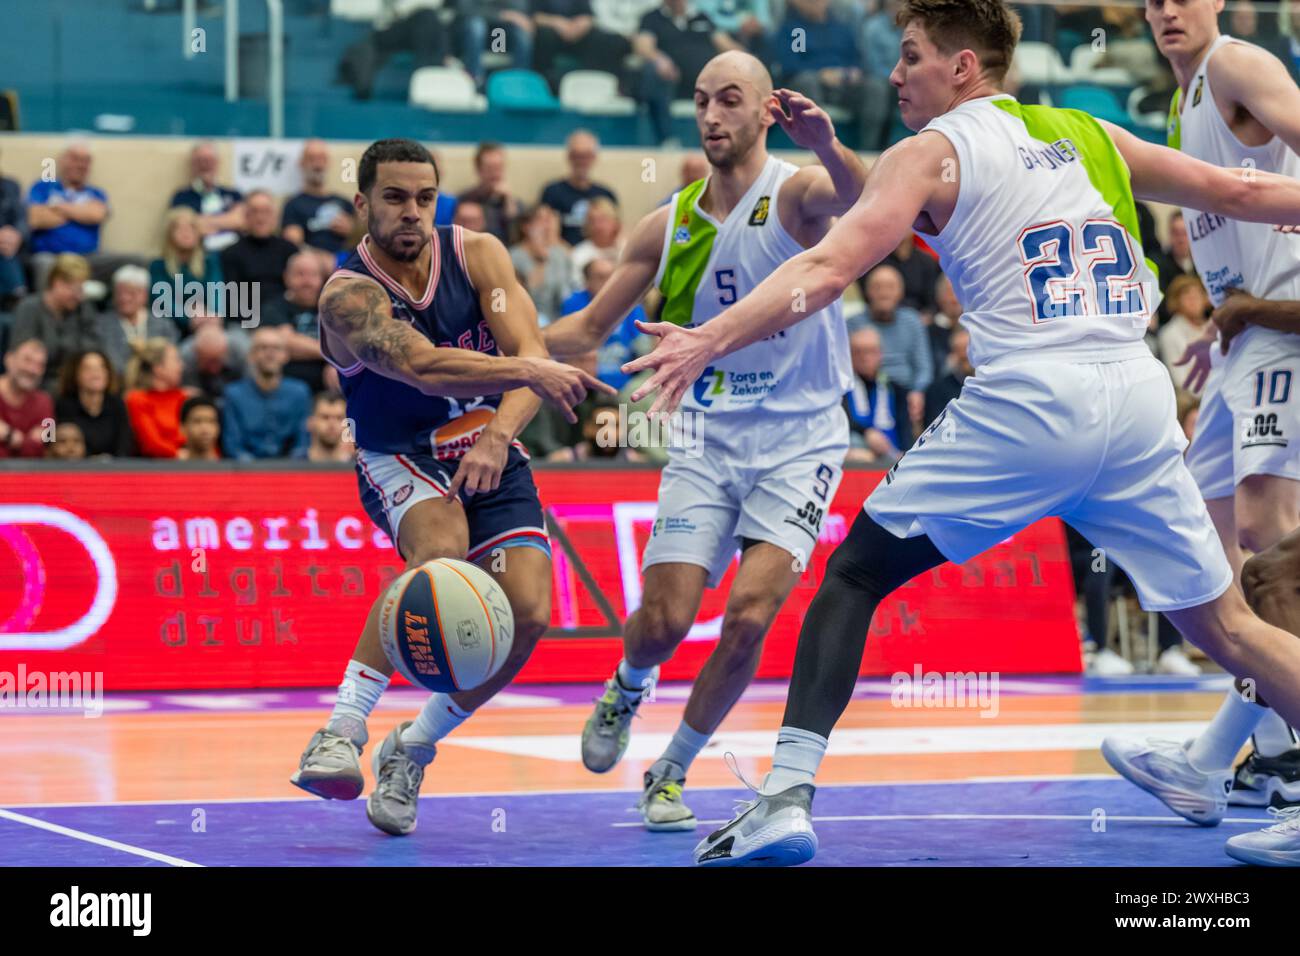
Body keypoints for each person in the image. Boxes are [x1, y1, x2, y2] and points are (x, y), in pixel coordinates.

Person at [623, 0, 1300, 867]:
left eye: (911, 56)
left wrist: (710, 335)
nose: (896, 73)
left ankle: (784, 798)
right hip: (1136, 399)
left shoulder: (931, 152)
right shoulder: (1089, 131)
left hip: (1030, 397)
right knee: (1232, 628)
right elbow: (1244, 189)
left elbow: (828, 266)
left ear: (963, 67)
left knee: (857, 575)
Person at [545, 53, 865, 830]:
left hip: (801, 440)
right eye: (700, 101)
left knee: (751, 616)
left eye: (730, 100)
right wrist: (483, 351)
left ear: (765, 113)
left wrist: (827, 142)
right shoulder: (671, 223)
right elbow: (586, 330)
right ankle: (626, 686)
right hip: (708, 439)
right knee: (663, 623)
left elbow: (864, 197)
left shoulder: (796, 194)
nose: (712, 115)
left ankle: (672, 768)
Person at [288, 139, 611, 838]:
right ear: (363, 205)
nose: (412, 212)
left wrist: (499, 435)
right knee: (440, 553)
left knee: (528, 614)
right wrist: (532, 373)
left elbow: (528, 356)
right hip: (399, 454)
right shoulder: (347, 297)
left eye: (425, 198)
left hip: (486, 444)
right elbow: (428, 367)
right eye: (395, 198)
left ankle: (414, 746)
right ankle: (341, 731)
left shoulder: (480, 254)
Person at [1100, 0, 1300, 860]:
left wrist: (1264, 309)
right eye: (1153, 1)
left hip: (1283, 326)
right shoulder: (1182, 103)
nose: (1168, 10)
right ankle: (1231, 758)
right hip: (1243, 337)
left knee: (1269, 542)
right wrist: (1229, 324)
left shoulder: (1236, 66)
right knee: (1212, 564)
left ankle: (1273, 763)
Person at [10, 253, 99, 390]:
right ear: (57, 282)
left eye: (81, 290)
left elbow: (92, 348)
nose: (79, 296)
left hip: (73, 381)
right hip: (36, 383)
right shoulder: (29, 308)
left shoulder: (82, 309)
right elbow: (23, 356)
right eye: (75, 289)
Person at [221, 327, 313, 460]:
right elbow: (233, 445)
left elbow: (303, 441)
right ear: (251, 356)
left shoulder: (299, 392)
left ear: (285, 355)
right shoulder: (234, 394)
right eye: (262, 348)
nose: (270, 353)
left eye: (276, 348)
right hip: (247, 472)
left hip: (291, 471)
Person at [558, 257, 646, 390]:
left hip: (625, 380)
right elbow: (565, 348)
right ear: (587, 281)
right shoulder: (573, 303)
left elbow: (644, 349)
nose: (608, 282)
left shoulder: (631, 304)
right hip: (584, 380)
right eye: (601, 277)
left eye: (612, 276)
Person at [843, 325, 910, 465]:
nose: (865, 357)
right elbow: (843, 420)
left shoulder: (896, 389)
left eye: (870, 352)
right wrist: (867, 432)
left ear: (880, 354)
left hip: (890, 455)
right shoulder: (842, 388)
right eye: (858, 352)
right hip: (856, 455)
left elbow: (905, 431)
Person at [539, 131, 618, 246]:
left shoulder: (606, 194)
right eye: (577, 156)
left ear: (594, 157)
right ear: (569, 157)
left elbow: (616, 232)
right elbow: (545, 232)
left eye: (586, 156)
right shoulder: (552, 192)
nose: (581, 161)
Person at [220, 190, 298, 305]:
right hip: (247, 319)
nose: (260, 218)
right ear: (246, 217)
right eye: (254, 212)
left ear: (275, 217)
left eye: (266, 212)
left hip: (285, 317)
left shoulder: (290, 250)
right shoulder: (230, 254)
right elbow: (231, 301)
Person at [54, 349, 134, 458]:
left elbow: (125, 443)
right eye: (88, 368)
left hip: (113, 469)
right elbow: (53, 444)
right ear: (75, 375)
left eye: (101, 367)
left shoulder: (117, 405)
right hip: (75, 469)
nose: (96, 373)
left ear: (108, 374)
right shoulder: (62, 406)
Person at [281, 140, 356, 255]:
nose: (318, 165)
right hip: (310, 265)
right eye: (312, 159)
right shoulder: (293, 205)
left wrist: (352, 231)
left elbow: (363, 240)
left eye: (322, 159)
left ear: (328, 163)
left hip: (346, 263)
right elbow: (292, 245)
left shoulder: (345, 203)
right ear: (301, 163)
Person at [100, 264, 178, 375]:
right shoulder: (101, 326)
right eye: (120, 292)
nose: (124, 298)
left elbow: (170, 359)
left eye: (131, 293)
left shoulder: (164, 326)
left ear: (144, 295)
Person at [169, 142, 245, 253]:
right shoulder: (181, 197)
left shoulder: (233, 194)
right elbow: (181, 230)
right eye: (200, 161)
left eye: (209, 160)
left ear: (217, 163)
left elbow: (241, 221)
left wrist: (201, 222)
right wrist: (227, 220)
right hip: (198, 256)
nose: (205, 165)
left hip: (233, 255)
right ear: (193, 165)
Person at [124, 339, 189, 459]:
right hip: (154, 469)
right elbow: (151, 444)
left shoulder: (184, 397)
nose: (182, 366)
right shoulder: (137, 399)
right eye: (176, 360)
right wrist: (178, 454)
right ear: (158, 368)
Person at [509, 204, 573, 324]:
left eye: (550, 219)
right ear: (526, 227)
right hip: (530, 320)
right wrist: (540, 261)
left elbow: (568, 290)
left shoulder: (559, 253)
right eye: (541, 220)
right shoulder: (514, 256)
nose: (548, 224)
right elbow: (525, 295)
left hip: (561, 318)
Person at [457, 143, 524, 246]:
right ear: (478, 169)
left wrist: (509, 203)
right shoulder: (464, 199)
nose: (495, 173)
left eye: (499, 167)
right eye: (490, 168)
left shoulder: (514, 203)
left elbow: (519, 241)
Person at [0, 338, 53, 459]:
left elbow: (49, 441)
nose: (32, 370)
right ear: (9, 359)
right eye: (27, 360)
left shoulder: (45, 401)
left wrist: (9, 436)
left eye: (40, 365)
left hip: (31, 474)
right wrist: (28, 441)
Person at [1157, 273, 1211, 393]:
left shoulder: (1215, 328)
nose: (1194, 301)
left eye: (1198, 295)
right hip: (1193, 404)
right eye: (1188, 297)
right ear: (1176, 301)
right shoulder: (1169, 334)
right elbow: (1181, 383)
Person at [306, 390, 355, 462]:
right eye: (325, 417)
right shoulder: (293, 465)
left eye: (339, 418)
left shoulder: (360, 469)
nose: (332, 424)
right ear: (310, 422)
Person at [177, 395, 221, 461]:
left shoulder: (231, 469)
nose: (205, 429)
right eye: (197, 421)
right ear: (182, 428)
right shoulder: (170, 470)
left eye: (211, 421)